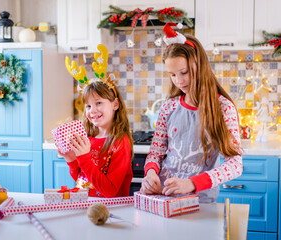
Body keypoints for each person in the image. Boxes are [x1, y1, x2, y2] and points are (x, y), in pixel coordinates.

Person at [141, 23, 243, 203]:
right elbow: (155, 153)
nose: (178, 81)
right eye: (172, 75)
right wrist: (150, 173)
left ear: (199, 66)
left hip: (200, 201)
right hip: (164, 197)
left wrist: (192, 183)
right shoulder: (168, 107)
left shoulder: (223, 108)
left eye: (184, 72)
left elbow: (235, 165)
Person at [60, 44, 133, 198]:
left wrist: (84, 157)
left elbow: (110, 191)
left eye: (99, 103)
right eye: (88, 106)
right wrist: (72, 160)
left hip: (111, 212)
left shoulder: (120, 142)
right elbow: (83, 181)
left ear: (115, 104)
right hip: (86, 205)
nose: (92, 111)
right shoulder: (89, 139)